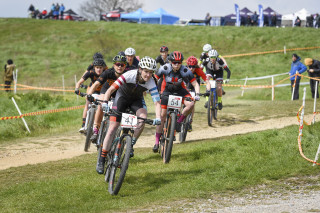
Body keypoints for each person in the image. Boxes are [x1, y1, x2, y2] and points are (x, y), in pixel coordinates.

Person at [96, 57, 161, 174]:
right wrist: (105, 103)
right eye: (146, 71)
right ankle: (102, 159)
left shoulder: (151, 82)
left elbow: (157, 102)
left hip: (136, 101)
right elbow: (110, 90)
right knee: (112, 128)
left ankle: (131, 144)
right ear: (140, 69)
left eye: (151, 72)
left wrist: (158, 118)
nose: (148, 75)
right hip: (121, 98)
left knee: (142, 120)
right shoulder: (129, 75)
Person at [153, 51, 200, 152]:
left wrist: (197, 94)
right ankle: (156, 142)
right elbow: (155, 79)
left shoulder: (185, 70)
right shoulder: (165, 68)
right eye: (174, 62)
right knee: (162, 116)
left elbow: (195, 84)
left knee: (191, 104)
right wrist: (154, 91)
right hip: (167, 91)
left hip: (180, 91)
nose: (177, 65)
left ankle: (178, 121)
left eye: (179, 62)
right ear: (170, 62)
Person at [86, 54, 127, 141]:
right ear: (113, 65)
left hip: (118, 93)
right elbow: (96, 83)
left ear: (125, 66)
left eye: (122, 64)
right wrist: (89, 94)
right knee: (101, 106)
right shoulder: (108, 72)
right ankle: (96, 130)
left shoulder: (127, 74)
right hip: (106, 90)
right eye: (117, 64)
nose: (119, 66)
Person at [75, 56, 106, 133]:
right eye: (97, 67)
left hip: (103, 91)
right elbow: (79, 82)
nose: (98, 69)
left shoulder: (106, 73)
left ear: (103, 68)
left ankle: (103, 125)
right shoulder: (90, 72)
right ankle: (84, 125)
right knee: (88, 103)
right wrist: (77, 89)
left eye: (100, 68)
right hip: (93, 90)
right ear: (94, 67)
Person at [185, 56, 207, 131]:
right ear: (187, 65)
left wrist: (208, 91)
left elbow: (206, 81)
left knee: (192, 103)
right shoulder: (183, 69)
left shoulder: (198, 70)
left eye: (193, 66)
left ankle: (190, 121)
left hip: (194, 87)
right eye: (190, 66)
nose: (191, 68)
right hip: (185, 86)